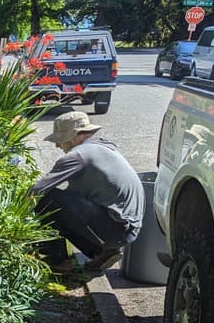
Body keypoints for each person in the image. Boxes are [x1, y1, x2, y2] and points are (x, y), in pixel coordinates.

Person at [32, 111, 144, 272]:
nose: (57, 145)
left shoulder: (77, 156)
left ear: (73, 136)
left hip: (116, 229)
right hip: (128, 229)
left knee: (47, 199)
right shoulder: (103, 148)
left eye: (60, 140)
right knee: (62, 207)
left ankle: (60, 262)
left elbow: (37, 190)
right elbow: (72, 199)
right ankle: (101, 253)